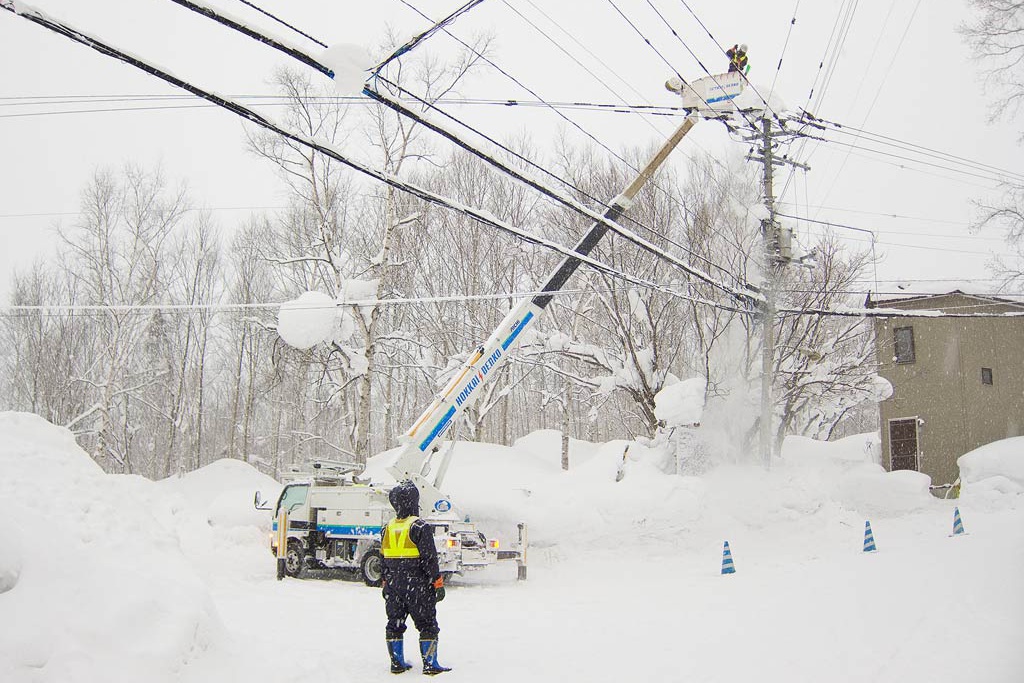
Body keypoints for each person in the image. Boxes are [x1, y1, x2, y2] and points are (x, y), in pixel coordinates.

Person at [381, 480, 450, 675]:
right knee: (427, 624)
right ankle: (430, 664)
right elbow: (429, 558)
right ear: (413, 501)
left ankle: (397, 663)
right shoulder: (419, 526)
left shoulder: (387, 528)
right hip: (417, 583)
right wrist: (437, 583)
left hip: (394, 584)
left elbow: (383, 558)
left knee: (394, 623)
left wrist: (386, 583)